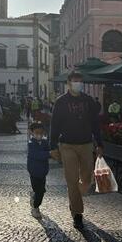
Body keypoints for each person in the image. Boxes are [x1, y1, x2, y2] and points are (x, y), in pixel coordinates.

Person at [50, 71, 102, 229]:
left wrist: (100, 144)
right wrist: (52, 146)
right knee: (71, 180)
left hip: (86, 144)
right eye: (75, 80)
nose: (78, 83)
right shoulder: (61, 102)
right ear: (68, 83)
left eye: (80, 80)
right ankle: (77, 214)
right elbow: (55, 124)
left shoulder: (89, 101)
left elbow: (95, 124)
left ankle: (74, 199)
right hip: (67, 145)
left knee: (87, 180)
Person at [27, 122, 50, 219]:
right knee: (40, 191)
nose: (39, 135)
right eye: (37, 132)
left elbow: (49, 149)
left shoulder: (45, 142)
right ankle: (35, 208)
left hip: (43, 172)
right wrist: (49, 153)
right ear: (32, 132)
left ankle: (34, 197)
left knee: (41, 191)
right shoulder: (31, 143)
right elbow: (37, 154)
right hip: (34, 172)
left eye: (41, 133)